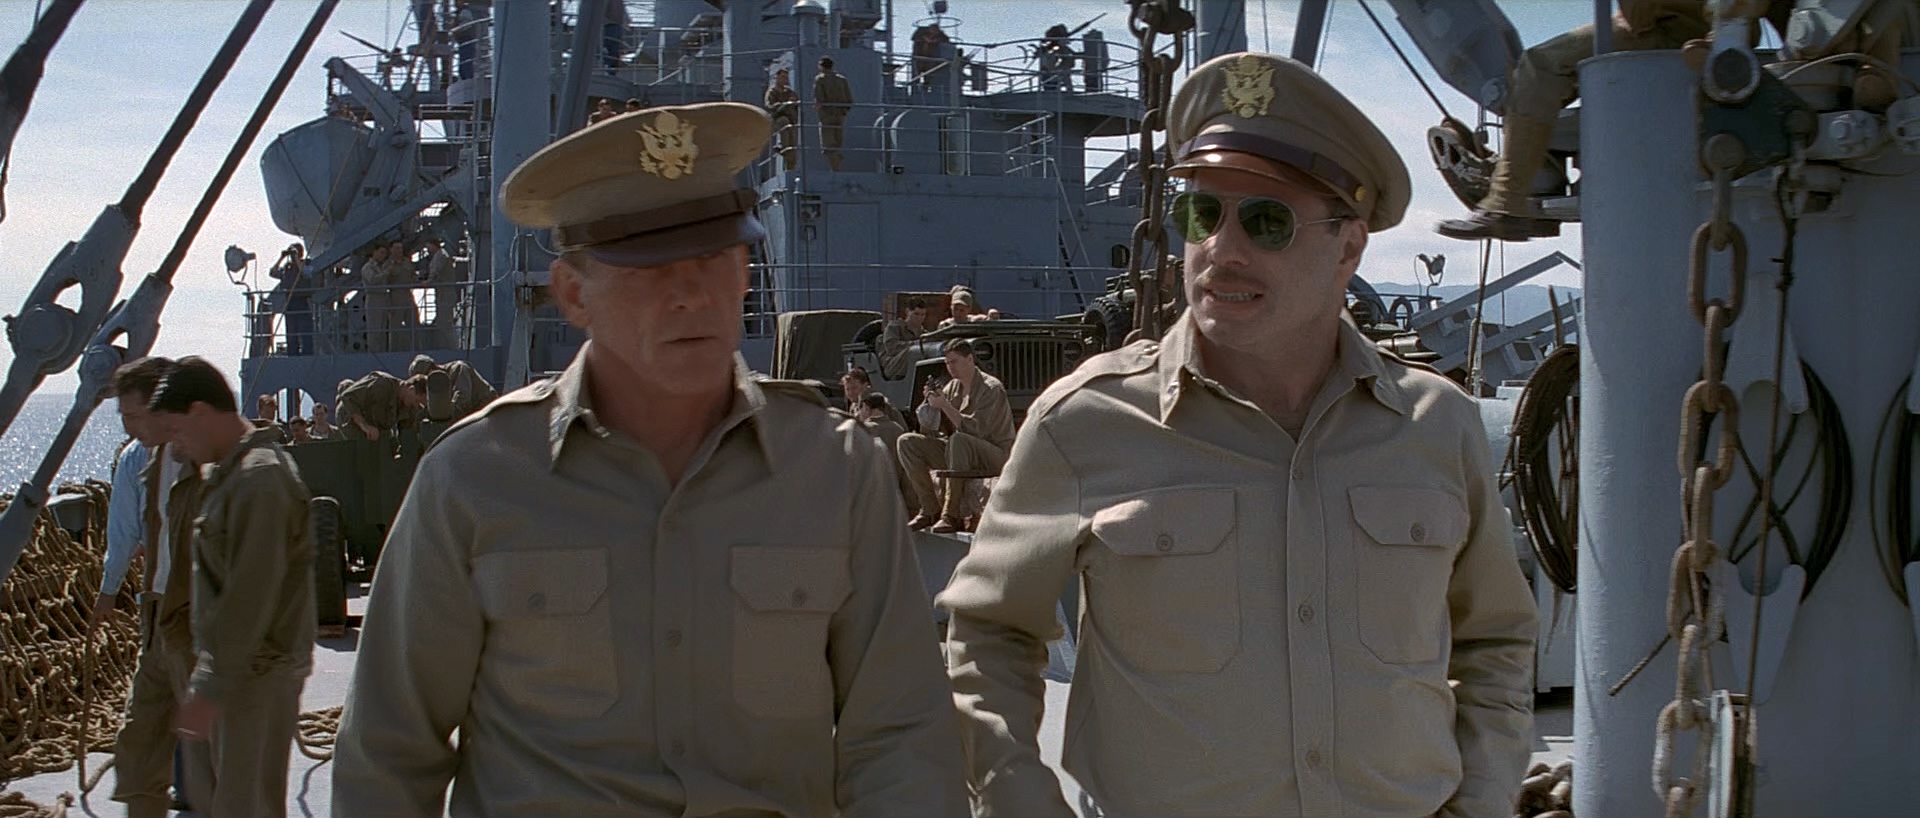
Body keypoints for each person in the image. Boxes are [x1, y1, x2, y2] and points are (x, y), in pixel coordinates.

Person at [937, 51, 1539, 818]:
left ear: (1349, 247)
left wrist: (1480, 801)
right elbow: (988, 632)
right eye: (1202, 214)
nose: (1223, 249)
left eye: (1266, 221)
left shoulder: (1436, 425)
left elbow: (1495, 641)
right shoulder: (1084, 423)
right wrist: (1018, 798)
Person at [332, 101, 967, 817]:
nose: (691, 294)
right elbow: (388, 757)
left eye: (715, 258)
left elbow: (900, 735)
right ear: (573, 293)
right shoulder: (475, 478)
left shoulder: (836, 470)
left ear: (746, 271)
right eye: (649, 266)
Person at [147, 357, 314, 818]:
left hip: (257, 675)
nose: (176, 446)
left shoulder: (259, 479)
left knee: (247, 806)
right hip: (240, 671)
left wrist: (207, 687)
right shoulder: (231, 475)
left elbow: (250, 595)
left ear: (200, 412)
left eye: (177, 430)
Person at [1435, 1, 1710, 241]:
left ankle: (1508, 201)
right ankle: (1534, 171)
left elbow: (1640, 15)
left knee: (1539, 65)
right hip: (1701, 27)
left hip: (1675, 28)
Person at [100, 356, 213, 818]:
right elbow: (130, 534)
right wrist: (111, 590)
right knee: (140, 742)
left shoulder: (210, 463)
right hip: (158, 616)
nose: (128, 427)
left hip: (197, 620)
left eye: (134, 415)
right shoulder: (140, 460)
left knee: (203, 737)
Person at [896, 339, 1013, 533]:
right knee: (907, 442)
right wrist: (930, 405)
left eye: (955, 361)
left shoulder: (991, 388)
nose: (951, 367)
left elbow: (977, 430)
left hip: (993, 453)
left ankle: (951, 514)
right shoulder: (952, 388)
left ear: (970, 359)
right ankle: (929, 509)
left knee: (959, 440)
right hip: (959, 452)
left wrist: (945, 406)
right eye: (947, 363)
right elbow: (932, 431)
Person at [335, 370, 427, 441]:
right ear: (411, 389)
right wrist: (364, 425)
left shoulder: (409, 406)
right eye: (417, 401)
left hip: (377, 424)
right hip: (349, 415)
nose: (416, 405)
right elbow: (348, 397)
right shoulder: (381, 383)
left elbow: (406, 434)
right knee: (363, 448)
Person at [408, 353, 498, 420]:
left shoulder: (459, 369)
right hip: (473, 416)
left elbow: (462, 400)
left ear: (432, 370)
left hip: (488, 411)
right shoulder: (438, 387)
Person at [269, 243, 313, 356]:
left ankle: (307, 353)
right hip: (290, 301)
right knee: (291, 331)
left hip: (302, 300)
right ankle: (293, 353)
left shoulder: (306, 264)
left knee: (305, 330)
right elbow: (272, 272)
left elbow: (305, 273)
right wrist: (281, 258)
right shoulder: (287, 268)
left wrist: (297, 259)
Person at [419, 236, 462, 348]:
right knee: (442, 322)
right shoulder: (440, 255)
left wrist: (427, 282)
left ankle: (454, 346)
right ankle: (449, 346)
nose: (427, 249)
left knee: (445, 323)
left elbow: (435, 271)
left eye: (428, 246)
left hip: (446, 293)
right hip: (443, 293)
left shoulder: (440, 256)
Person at [813, 56, 853, 171]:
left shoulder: (820, 79)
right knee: (837, 143)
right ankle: (837, 162)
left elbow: (819, 98)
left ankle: (835, 170)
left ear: (821, 66)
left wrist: (817, 106)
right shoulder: (842, 79)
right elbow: (849, 99)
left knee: (828, 145)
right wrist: (844, 111)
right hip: (841, 115)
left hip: (827, 115)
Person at [877, 296, 930, 379]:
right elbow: (891, 348)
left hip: (914, 367)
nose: (919, 318)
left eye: (922, 315)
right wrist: (915, 344)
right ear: (907, 312)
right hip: (892, 366)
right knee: (913, 351)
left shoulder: (924, 334)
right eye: (916, 314)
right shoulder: (894, 327)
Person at [841, 366, 905, 428]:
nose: (850, 393)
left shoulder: (879, 404)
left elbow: (900, 428)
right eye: (847, 389)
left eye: (854, 388)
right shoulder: (854, 406)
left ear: (865, 385)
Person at [764, 67, 800, 165]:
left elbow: (796, 102)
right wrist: (781, 104)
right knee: (784, 121)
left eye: (786, 77)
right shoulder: (772, 92)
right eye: (782, 77)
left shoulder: (789, 92)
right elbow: (769, 105)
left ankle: (791, 166)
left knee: (793, 143)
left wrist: (794, 101)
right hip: (777, 119)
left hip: (791, 121)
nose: (784, 80)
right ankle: (784, 148)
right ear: (777, 77)